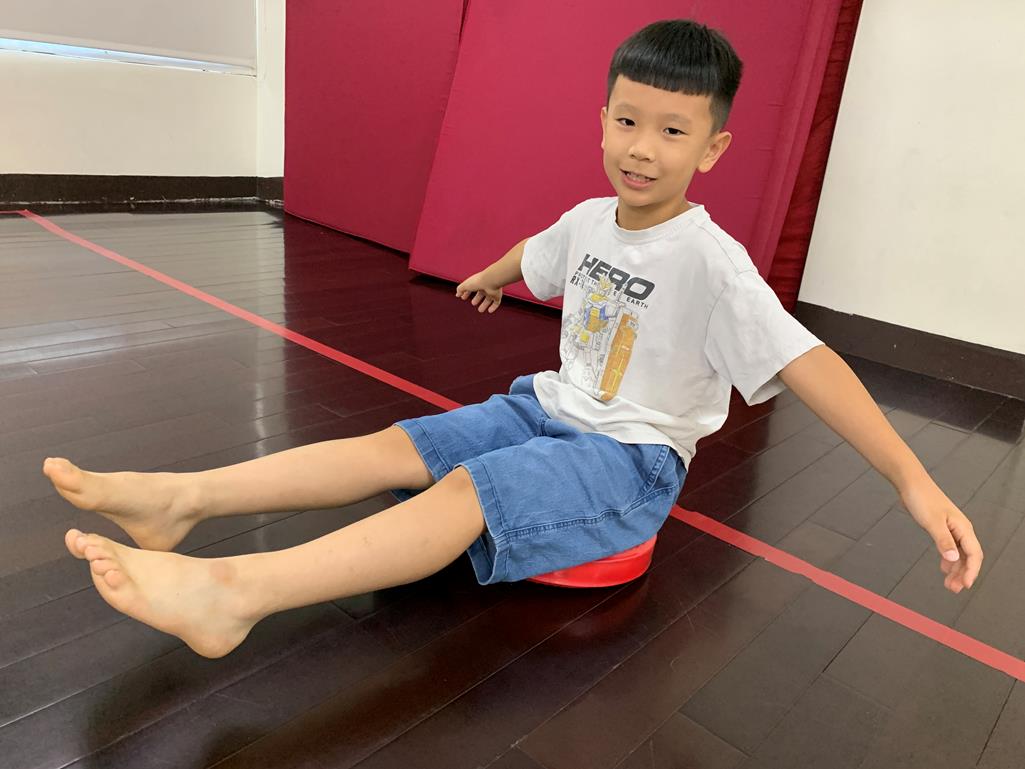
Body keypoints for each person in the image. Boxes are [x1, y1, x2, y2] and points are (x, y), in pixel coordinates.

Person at [42, 19, 982, 659]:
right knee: (394, 445)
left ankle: (235, 594)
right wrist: (490, 276)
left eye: (671, 131)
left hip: (629, 458)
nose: (640, 147)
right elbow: (539, 251)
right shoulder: (590, 218)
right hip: (543, 408)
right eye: (626, 120)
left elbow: (810, 363)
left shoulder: (714, 263)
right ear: (601, 119)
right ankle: (181, 499)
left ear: (712, 149)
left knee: (464, 490)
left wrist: (912, 479)